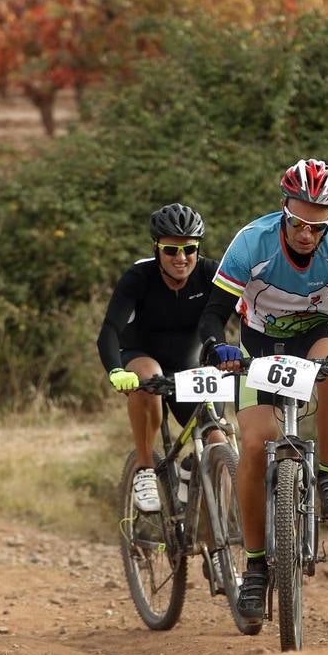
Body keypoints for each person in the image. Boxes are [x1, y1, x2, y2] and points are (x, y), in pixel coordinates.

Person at [199, 158, 328, 621]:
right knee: (252, 444)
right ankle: (257, 568)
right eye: (298, 222)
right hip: (258, 342)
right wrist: (214, 346)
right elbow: (213, 312)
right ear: (284, 209)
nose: (307, 235)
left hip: (317, 334)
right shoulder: (251, 242)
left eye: (317, 226)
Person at [97, 203, 218, 513]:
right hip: (142, 357)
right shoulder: (139, 276)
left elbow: (245, 315)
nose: (181, 258)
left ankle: (218, 543)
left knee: (218, 443)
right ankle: (145, 468)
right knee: (148, 376)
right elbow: (109, 330)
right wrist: (115, 370)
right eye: (170, 250)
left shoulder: (208, 274)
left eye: (189, 249)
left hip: (188, 367)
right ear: (157, 249)